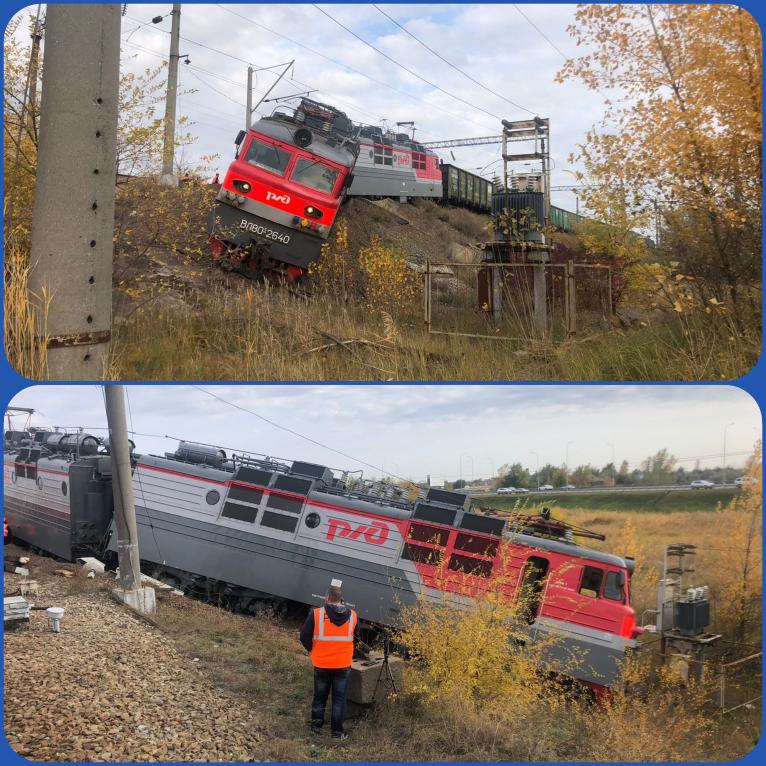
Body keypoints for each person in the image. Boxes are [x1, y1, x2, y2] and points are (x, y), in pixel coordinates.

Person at [299, 583, 359, 740]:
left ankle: (315, 727)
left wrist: (313, 650)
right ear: (341, 600)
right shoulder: (353, 615)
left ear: (327, 598)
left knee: (320, 696)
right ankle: (337, 733)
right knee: (339, 699)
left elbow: (304, 637)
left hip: (321, 663)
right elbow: (356, 640)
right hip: (343, 665)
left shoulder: (316, 614)